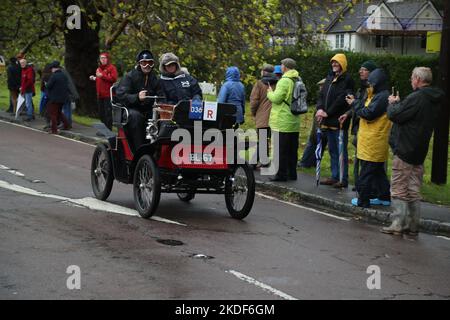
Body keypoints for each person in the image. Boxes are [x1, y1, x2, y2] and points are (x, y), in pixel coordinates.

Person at [381, 67, 444, 237]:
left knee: (399, 187)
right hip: (420, 149)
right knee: (413, 188)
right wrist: (402, 103)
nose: (410, 80)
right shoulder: (434, 98)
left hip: (405, 148)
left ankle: (397, 223)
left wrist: (393, 103)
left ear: (417, 78)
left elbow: (396, 115)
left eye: (411, 77)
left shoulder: (417, 97)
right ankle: (413, 224)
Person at [346, 68, 392, 208]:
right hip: (373, 140)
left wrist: (354, 103)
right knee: (378, 172)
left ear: (377, 83)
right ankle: (384, 197)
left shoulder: (381, 97)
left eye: (371, 84)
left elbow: (368, 113)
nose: (369, 86)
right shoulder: (378, 95)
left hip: (373, 141)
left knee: (365, 173)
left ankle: (363, 201)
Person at [315, 53, 354, 188]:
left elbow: (342, 99)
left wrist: (328, 112)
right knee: (332, 150)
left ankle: (343, 179)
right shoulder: (329, 77)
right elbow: (321, 95)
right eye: (333, 62)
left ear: (343, 64)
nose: (334, 65)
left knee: (341, 151)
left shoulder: (347, 79)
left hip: (338, 121)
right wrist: (320, 109)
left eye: (337, 63)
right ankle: (334, 176)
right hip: (326, 121)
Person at [340, 60, 377, 190]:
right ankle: (359, 183)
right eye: (360, 69)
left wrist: (354, 104)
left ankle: (364, 185)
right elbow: (357, 103)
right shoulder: (362, 87)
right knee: (358, 156)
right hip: (358, 127)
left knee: (365, 158)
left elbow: (365, 107)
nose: (360, 71)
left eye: (364, 69)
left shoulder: (373, 89)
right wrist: (348, 114)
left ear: (371, 72)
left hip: (366, 128)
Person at [116, 49, 164, 150]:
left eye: (150, 63)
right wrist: (137, 97)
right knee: (136, 117)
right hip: (131, 110)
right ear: (139, 63)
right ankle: (139, 150)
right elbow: (121, 95)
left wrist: (161, 106)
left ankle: (157, 149)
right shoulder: (129, 77)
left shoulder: (155, 79)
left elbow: (161, 95)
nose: (147, 66)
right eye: (144, 63)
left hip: (149, 110)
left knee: (163, 118)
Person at [267, 58, 301, 181]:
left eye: (281, 64)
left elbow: (276, 99)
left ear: (285, 67)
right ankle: (292, 173)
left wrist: (270, 92)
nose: (280, 66)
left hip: (283, 120)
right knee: (292, 149)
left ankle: (281, 175)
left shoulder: (284, 81)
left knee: (281, 150)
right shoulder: (298, 79)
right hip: (294, 120)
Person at [250, 63, 278, 169]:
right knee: (266, 139)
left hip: (262, 116)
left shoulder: (259, 84)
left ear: (263, 72)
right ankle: (265, 161)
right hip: (275, 116)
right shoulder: (277, 83)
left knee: (262, 140)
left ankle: (252, 163)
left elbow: (254, 101)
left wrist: (253, 113)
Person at [298, 78, 328, 168]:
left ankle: (305, 163)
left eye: (322, 86)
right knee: (317, 145)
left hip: (321, 125)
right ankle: (312, 163)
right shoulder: (323, 97)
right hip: (319, 125)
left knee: (313, 144)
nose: (320, 88)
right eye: (320, 86)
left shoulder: (326, 98)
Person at [90, 52, 118, 130]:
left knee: (107, 113)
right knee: (101, 113)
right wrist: (94, 78)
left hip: (108, 95)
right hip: (100, 94)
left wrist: (102, 76)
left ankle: (108, 130)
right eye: (101, 58)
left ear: (107, 59)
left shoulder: (112, 68)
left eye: (104, 58)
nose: (103, 60)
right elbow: (100, 80)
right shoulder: (98, 69)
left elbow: (114, 78)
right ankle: (104, 130)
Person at [46, 61, 71, 134]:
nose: (51, 70)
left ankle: (54, 130)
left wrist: (46, 84)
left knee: (53, 114)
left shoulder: (54, 76)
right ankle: (67, 125)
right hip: (63, 97)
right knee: (59, 112)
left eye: (51, 68)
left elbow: (48, 86)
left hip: (54, 98)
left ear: (53, 68)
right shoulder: (64, 75)